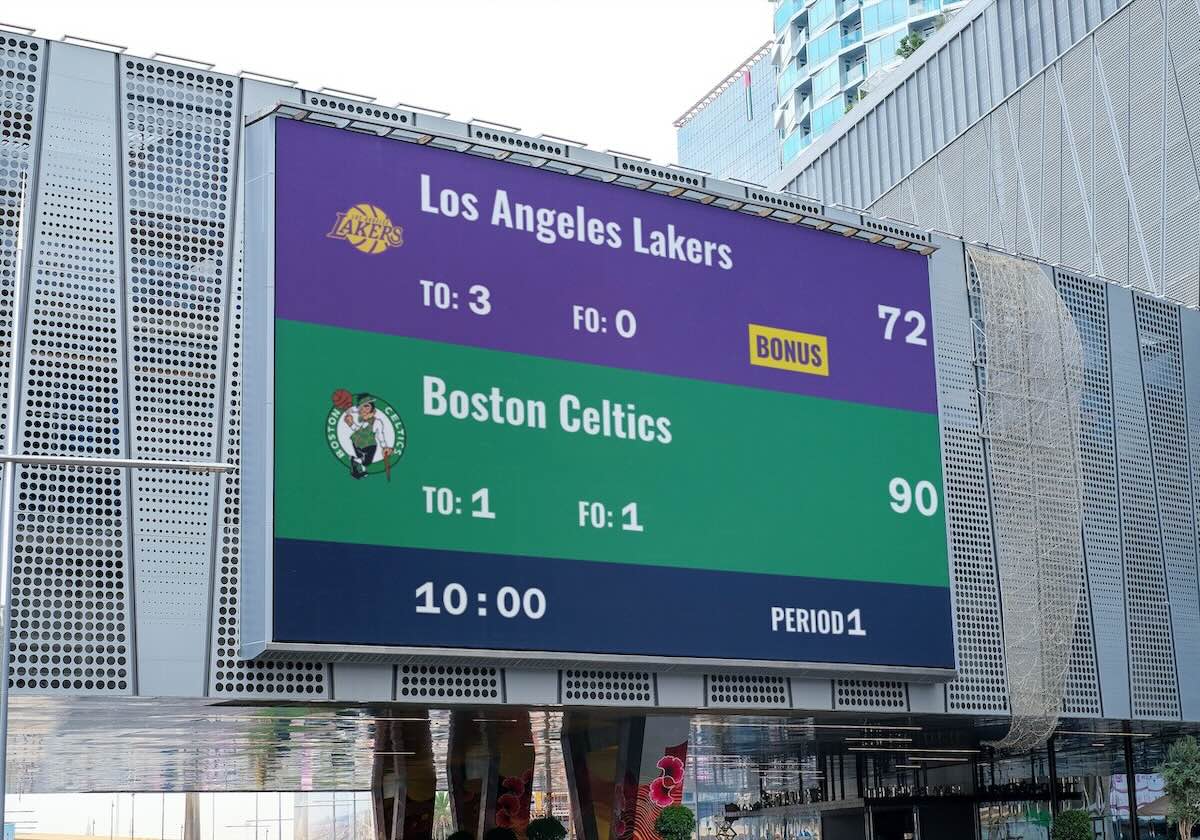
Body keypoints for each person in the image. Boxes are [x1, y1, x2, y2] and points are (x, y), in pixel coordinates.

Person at [343, 394, 394, 479]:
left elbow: (380, 435)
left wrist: (384, 447)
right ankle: (356, 463)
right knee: (364, 461)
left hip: (369, 444)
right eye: (361, 408)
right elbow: (358, 430)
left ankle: (359, 467)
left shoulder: (377, 422)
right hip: (357, 442)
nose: (364, 410)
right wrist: (350, 423)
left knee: (365, 461)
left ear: (372, 408)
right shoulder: (364, 421)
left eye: (366, 406)